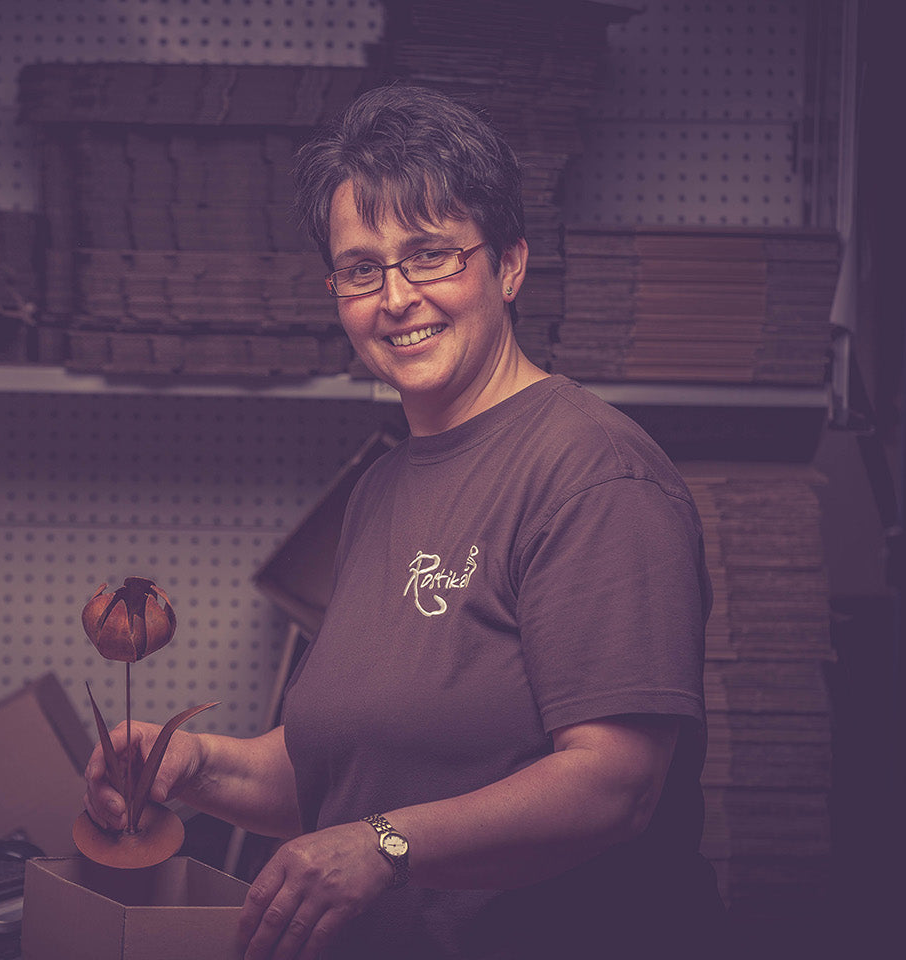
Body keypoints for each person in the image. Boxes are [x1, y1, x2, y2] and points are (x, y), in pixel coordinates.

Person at [84, 83, 724, 960]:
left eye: (431, 256)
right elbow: (349, 768)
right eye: (361, 268)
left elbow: (615, 785)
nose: (395, 297)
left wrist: (386, 844)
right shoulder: (383, 485)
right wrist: (197, 766)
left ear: (509, 265)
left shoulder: (594, 474)